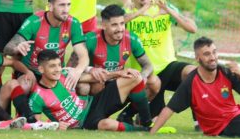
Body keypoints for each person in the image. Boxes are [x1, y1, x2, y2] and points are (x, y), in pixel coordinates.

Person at [28, 50, 175, 133]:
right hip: (85, 122)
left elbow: (90, 77)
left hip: (94, 103)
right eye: (52, 66)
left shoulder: (65, 74)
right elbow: (34, 124)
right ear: (41, 69)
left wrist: (119, 73)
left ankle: (146, 120)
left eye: (59, 65)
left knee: (135, 77)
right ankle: (144, 129)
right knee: (107, 125)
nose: (58, 69)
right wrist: (55, 126)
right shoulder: (37, 97)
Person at [120, 0, 198, 126]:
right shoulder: (127, 11)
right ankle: (133, 114)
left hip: (168, 66)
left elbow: (192, 28)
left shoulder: (162, 7)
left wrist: (169, 11)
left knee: (194, 73)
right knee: (153, 122)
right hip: (146, 73)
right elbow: (113, 25)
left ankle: (199, 120)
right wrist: (140, 12)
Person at [70, 5, 160, 127]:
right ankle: (81, 117)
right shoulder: (90, 39)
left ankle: (128, 115)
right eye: (114, 25)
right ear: (104, 25)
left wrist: (143, 77)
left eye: (122, 23)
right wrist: (90, 69)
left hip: (118, 84)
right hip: (98, 86)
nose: (120, 29)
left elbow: (148, 65)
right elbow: (69, 70)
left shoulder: (131, 38)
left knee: (154, 82)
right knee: (89, 86)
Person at [3, 0, 88, 91]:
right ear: (50, 6)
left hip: (56, 71)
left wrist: (77, 71)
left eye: (68, 4)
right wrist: (17, 49)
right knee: (24, 87)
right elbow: (8, 48)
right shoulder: (34, 22)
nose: (66, 10)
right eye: (62, 5)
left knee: (84, 87)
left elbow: (83, 55)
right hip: (31, 70)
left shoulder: (73, 23)